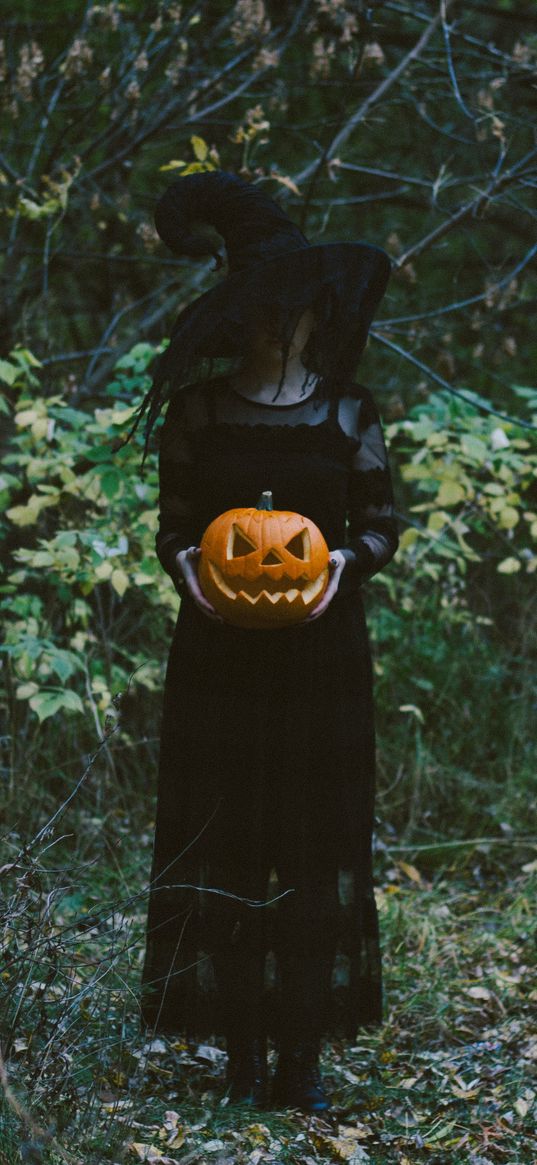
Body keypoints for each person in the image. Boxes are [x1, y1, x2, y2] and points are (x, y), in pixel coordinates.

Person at [140, 172, 398, 1112]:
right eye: (261, 310)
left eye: (292, 310)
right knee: (231, 840)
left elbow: (381, 524)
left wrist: (337, 562)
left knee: (311, 838)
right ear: (236, 317)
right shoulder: (201, 413)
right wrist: (187, 574)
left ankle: (301, 1056)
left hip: (321, 658)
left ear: (312, 313)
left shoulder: (348, 414)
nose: (278, 324)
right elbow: (172, 527)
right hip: (219, 656)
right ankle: (240, 1051)